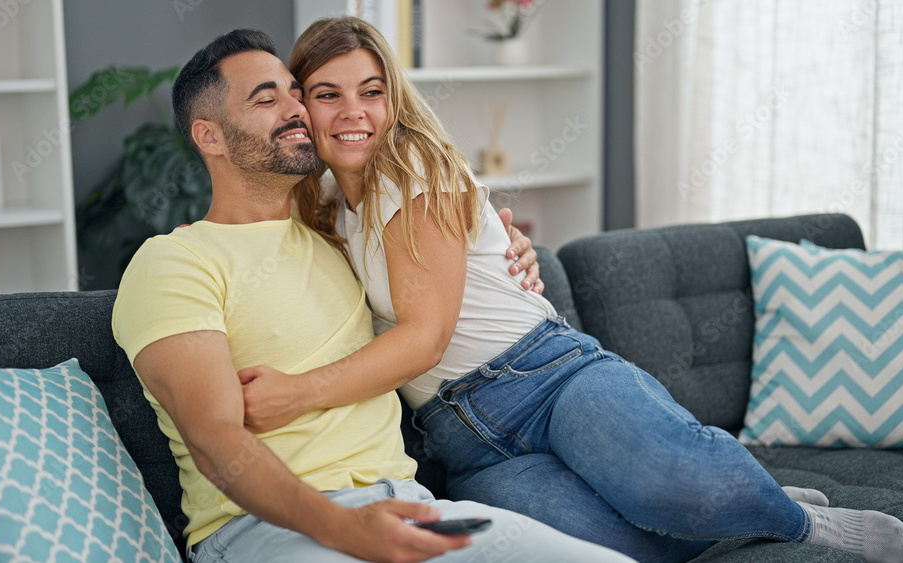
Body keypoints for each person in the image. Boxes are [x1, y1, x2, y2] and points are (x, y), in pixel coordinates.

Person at [234, 16, 903, 563]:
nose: (353, 112)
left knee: (671, 480)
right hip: (462, 437)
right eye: (328, 93)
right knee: (612, 548)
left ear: (393, 99)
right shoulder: (326, 209)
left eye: (371, 90)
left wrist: (297, 391)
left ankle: (792, 520)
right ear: (303, 107)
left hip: (544, 374)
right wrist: (506, 246)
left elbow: (424, 336)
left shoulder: (415, 166)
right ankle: (738, 499)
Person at [111, 28, 633, 563]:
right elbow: (215, 439)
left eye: (296, 93)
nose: (297, 109)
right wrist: (345, 528)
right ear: (210, 136)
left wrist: (502, 244)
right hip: (267, 531)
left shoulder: (337, 235)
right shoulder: (173, 262)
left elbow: (431, 281)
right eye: (267, 99)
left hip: (411, 506)